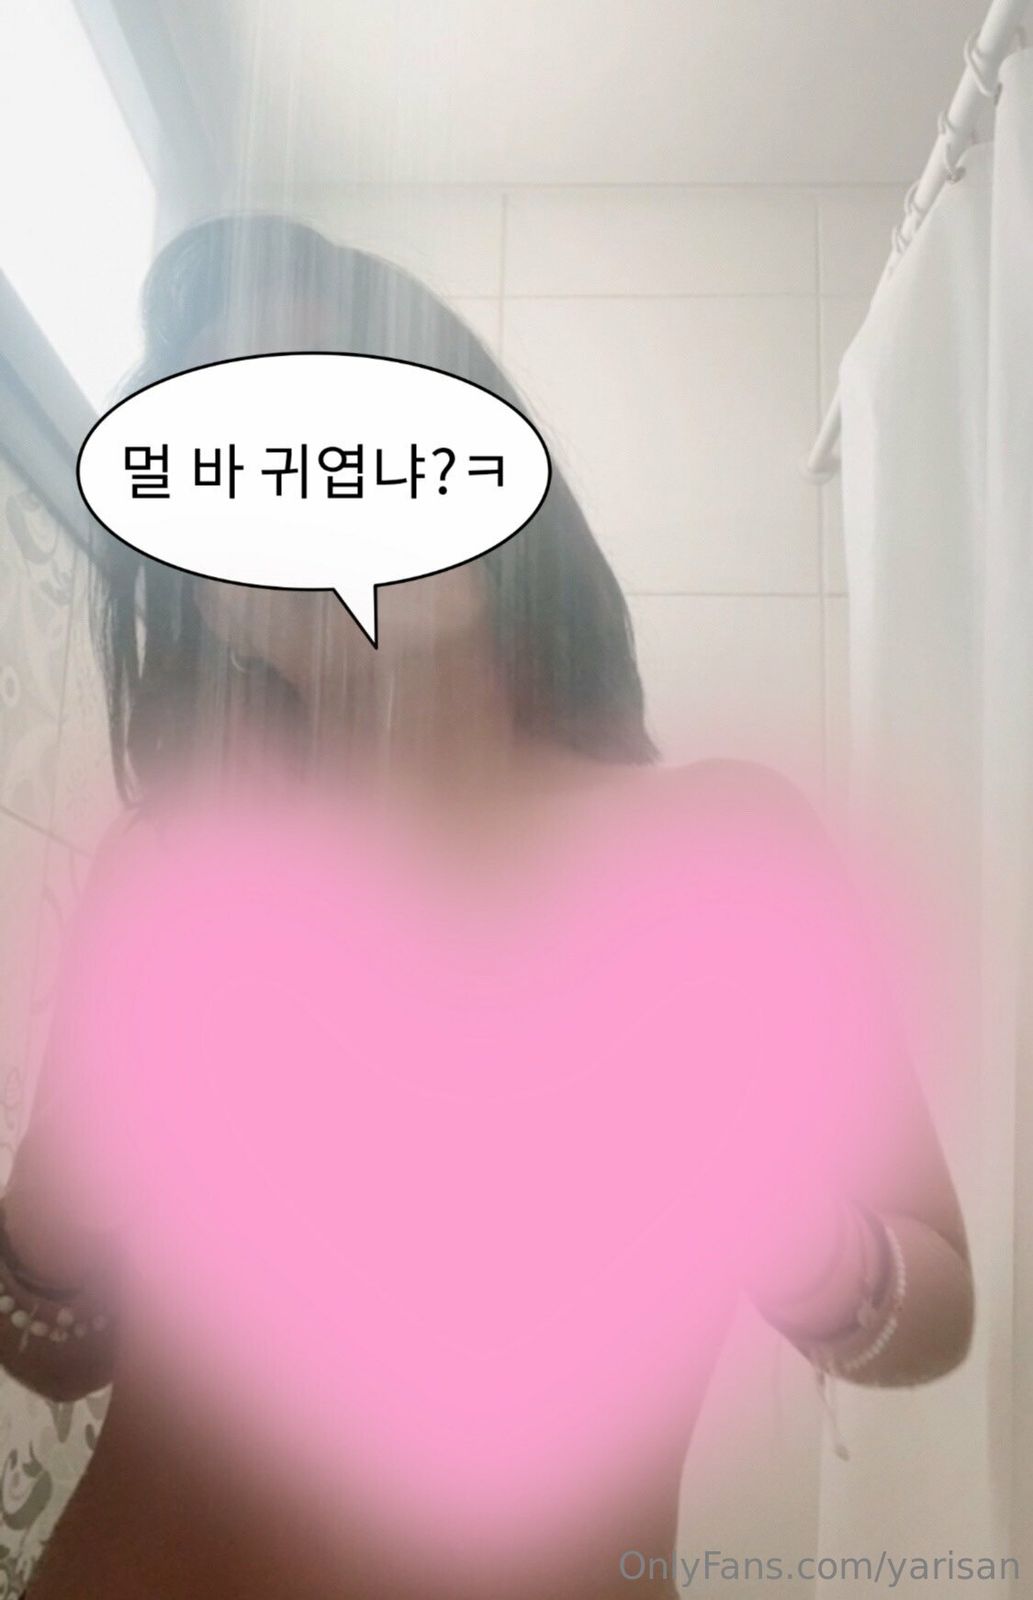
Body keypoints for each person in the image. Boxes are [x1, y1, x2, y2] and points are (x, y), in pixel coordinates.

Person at [0, 215, 974, 1600]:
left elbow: (938, 1306)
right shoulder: (172, 876)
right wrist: (63, 1195)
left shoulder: (723, 854)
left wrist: (798, 1231)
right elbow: (55, 1350)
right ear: (210, 595)